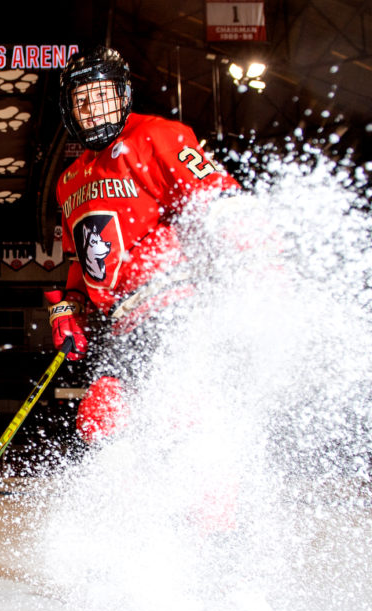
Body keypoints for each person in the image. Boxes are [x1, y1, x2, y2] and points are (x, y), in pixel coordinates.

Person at [46, 46, 247, 533]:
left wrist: (253, 261)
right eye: (82, 101)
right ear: (69, 111)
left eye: (102, 96)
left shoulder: (159, 135)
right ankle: (139, 544)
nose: (93, 109)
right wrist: (70, 308)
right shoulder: (69, 180)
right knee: (101, 417)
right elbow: (83, 258)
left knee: (185, 416)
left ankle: (218, 541)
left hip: (175, 307)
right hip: (121, 327)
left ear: (123, 94)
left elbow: (219, 203)